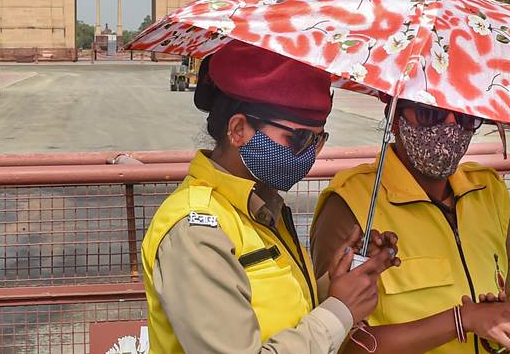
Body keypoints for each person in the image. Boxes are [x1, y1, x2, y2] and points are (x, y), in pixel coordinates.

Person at [142, 41, 400, 353]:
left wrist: (337, 280)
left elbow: (289, 315)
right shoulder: (197, 230)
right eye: (299, 138)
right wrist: (339, 312)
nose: (310, 155)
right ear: (238, 129)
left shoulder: (262, 208)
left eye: (319, 140)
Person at [310, 98, 510, 354]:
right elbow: (338, 344)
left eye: (465, 118)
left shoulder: (488, 192)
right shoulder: (351, 203)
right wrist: (463, 320)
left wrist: (497, 325)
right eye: (430, 114)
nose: (450, 129)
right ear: (394, 119)